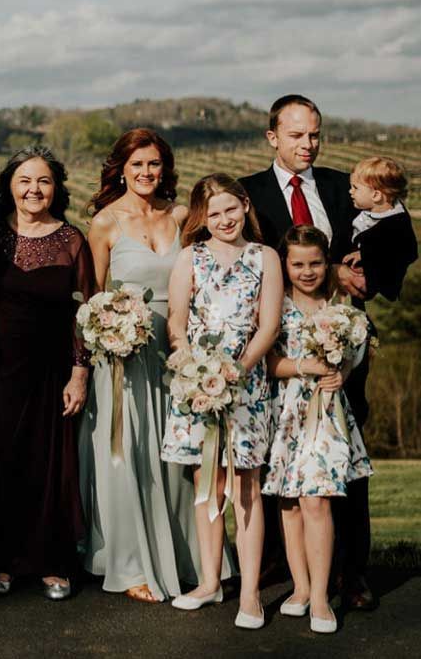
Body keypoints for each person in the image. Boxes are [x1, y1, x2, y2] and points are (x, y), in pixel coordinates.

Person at [79, 129, 229, 603]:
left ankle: (186, 560)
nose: (146, 173)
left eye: (154, 164)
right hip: (124, 358)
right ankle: (131, 564)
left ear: (165, 168)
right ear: (120, 168)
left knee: (177, 460)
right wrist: (107, 334)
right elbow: (89, 295)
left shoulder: (182, 216)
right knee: (128, 454)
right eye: (138, 164)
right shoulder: (104, 223)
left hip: (179, 354)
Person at [238, 95, 371, 610]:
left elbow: (387, 237)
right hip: (282, 344)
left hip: (340, 339)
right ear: (273, 137)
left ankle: (351, 575)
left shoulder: (341, 187)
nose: (307, 144)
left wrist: (358, 272)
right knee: (285, 469)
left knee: (345, 465)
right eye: (296, 135)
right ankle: (290, 572)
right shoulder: (250, 192)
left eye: (314, 134)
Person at [162, 174, 282, 629]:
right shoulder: (189, 258)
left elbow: (268, 326)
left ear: (245, 205)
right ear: (201, 217)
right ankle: (210, 582)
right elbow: (177, 320)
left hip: (245, 386)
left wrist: (237, 370)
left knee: (246, 487)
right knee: (205, 484)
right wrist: (193, 366)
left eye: (231, 209)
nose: (224, 219)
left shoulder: (264, 257)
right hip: (198, 385)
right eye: (213, 213)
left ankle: (249, 593)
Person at [0, 146, 92, 600]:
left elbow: (86, 310)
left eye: (44, 181)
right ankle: (1, 562)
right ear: (9, 186)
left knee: (50, 467)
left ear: (56, 188)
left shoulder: (71, 240)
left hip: (52, 372)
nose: (34, 189)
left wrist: (79, 372)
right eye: (25, 180)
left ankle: (52, 562)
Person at [262, 225, 374, 634]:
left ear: (325, 262)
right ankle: (302, 587)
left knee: (318, 502)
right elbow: (269, 361)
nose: (306, 272)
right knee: (289, 503)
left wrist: (341, 371)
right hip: (285, 411)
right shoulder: (276, 302)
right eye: (297, 264)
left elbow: (356, 353)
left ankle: (323, 598)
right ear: (285, 264)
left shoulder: (340, 302)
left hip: (327, 413)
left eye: (313, 263)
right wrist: (303, 366)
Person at [345, 156, 416, 303]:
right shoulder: (365, 209)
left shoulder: (397, 223)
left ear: (376, 195)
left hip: (377, 290)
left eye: (355, 188)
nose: (350, 192)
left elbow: (407, 252)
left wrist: (365, 254)